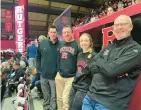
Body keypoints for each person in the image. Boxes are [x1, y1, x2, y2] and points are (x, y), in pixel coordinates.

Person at [82, 15, 141, 110]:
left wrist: (101, 63)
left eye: (123, 24)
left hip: (110, 103)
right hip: (90, 97)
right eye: (116, 25)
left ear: (131, 27)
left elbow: (111, 70)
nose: (119, 27)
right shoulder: (109, 46)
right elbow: (92, 65)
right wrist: (106, 66)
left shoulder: (135, 50)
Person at [69, 33, 96, 110]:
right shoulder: (79, 54)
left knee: (75, 108)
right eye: (82, 41)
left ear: (90, 42)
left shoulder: (94, 56)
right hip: (75, 85)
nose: (84, 43)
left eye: (86, 41)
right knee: (70, 106)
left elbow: (94, 74)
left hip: (84, 87)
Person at [55, 25, 79, 110]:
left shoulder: (77, 44)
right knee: (59, 98)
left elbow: (79, 61)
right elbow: (58, 58)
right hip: (60, 76)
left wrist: (76, 74)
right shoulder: (61, 44)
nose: (66, 34)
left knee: (66, 99)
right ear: (62, 34)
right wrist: (58, 70)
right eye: (64, 32)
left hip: (71, 77)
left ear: (72, 33)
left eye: (68, 32)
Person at [36, 25, 60, 110]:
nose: (53, 34)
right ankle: (46, 108)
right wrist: (39, 69)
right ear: (48, 33)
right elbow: (38, 56)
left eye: (54, 32)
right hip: (43, 75)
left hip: (54, 76)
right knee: (46, 94)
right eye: (51, 32)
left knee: (54, 96)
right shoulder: (43, 43)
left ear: (57, 33)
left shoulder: (60, 45)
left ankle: (53, 108)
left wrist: (58, 71)